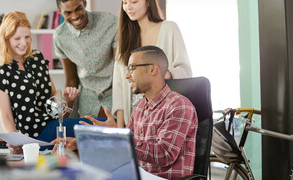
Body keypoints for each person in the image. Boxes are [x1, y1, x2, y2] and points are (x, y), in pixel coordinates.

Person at [54, 46, 198, 179]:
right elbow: (124, 151)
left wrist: (118, 136)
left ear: (153, 70)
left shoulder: (178, 106)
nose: (127, 76)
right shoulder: (140, 106)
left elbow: (165, 154)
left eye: (132, 68)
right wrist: (82, 145)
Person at [112, 0, 193, 127]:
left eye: (134, 2)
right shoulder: (124, 36)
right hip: (135, 120)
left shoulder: (169, 29)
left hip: (165, 114)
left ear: (148, 1)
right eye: (124, 2)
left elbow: (186, 70)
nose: (128, 7)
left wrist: (163, 73)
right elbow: (118, 86)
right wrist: (121, 131)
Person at [0, 11, 60, 152]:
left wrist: (65, 101)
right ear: (6, 39)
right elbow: (6, 115)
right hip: (32, 136)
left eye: (27, 37)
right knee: (89, 126)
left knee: (89, 128)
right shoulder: (0, 71)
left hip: (52, 123)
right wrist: (16, 143)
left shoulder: (37, 58)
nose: (23, 43)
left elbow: (53, 93)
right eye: (17, 38)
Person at [53, 0, 117, 118]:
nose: (75, 16)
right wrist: (66, 109)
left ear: (85, 3)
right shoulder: (60, 36)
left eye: (79, 9)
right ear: (59, 12)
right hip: (87, 98)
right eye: (68, 13)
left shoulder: (109, 22)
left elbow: (120, 66)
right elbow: (71, 79)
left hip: (114, 91)